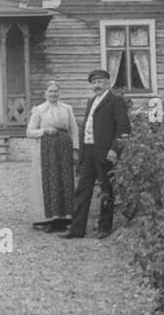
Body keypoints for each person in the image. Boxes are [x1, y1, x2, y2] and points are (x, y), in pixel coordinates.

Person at [60, 68, 130, 240]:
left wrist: (115, 149)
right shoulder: (91, 101)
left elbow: (124, 129)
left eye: (100, 82)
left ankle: (104, 228)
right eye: (94, 82)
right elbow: (87, 127)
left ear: (108, 83)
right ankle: (77, 229)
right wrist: (81, 152)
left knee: (106, 190)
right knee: (82, 190)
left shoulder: (116, 101)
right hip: (88, 152)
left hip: (105, 153)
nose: (97, 85)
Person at [25, 80, 79, 231]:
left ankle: (65, 218)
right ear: (45, 93)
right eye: (50, 91)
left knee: (65, 180)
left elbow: (74, 130)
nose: (53, 94)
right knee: (50, 180)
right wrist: (44, 131)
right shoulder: (39, 110)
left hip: (65, 149)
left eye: (56, 91)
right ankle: (49, 218)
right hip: (46, 151)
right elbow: (29, 132)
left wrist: (75, 149)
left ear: (59, 93)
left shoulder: (67, 108)